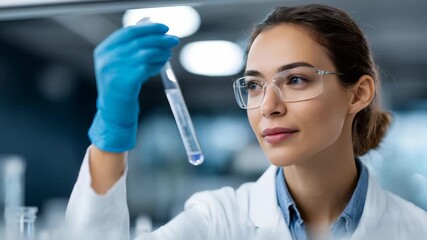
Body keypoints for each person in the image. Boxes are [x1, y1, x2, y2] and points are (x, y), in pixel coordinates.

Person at [66, 4, 427, 240]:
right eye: (254, 85)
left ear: (358, 94)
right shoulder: (217, 220)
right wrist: (110, 136)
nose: (268, 106)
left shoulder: (415, 229)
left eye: (296, 79)